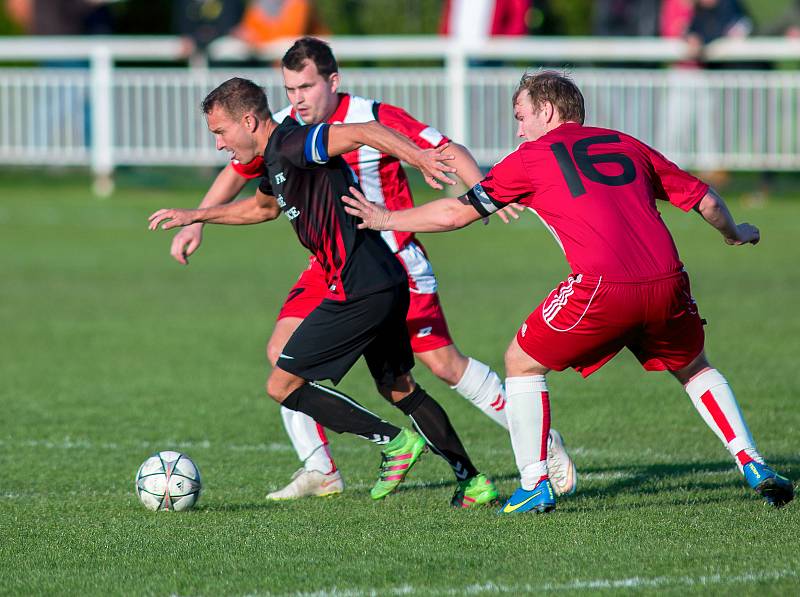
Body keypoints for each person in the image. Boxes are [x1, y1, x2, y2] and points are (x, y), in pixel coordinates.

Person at [343, 71, 794, 514]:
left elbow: (454, 215)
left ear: (547, 109)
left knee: (520, 362)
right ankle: (751, 460)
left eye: (521, 116)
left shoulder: (531, 157)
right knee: (694, 368)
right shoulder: (625, 142)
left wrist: (385, 219)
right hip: (669, 281)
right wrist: (735, 233)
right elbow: (708, 201)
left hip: (602, 287)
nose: (518, 129)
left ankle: (534, 483)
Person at [168, 37, 577, 502]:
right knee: (315, 363)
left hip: (386, 256)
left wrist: (481, 191)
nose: (297, 98)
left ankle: (524, 441)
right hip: (336, 265)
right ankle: (338, 470)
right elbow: (253, 195)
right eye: (289, 89)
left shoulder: (344, 123)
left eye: (305, 87)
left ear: (332, 81)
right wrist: (197, 217)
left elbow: (430, 145)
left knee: (437, 365)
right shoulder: (280, 132)